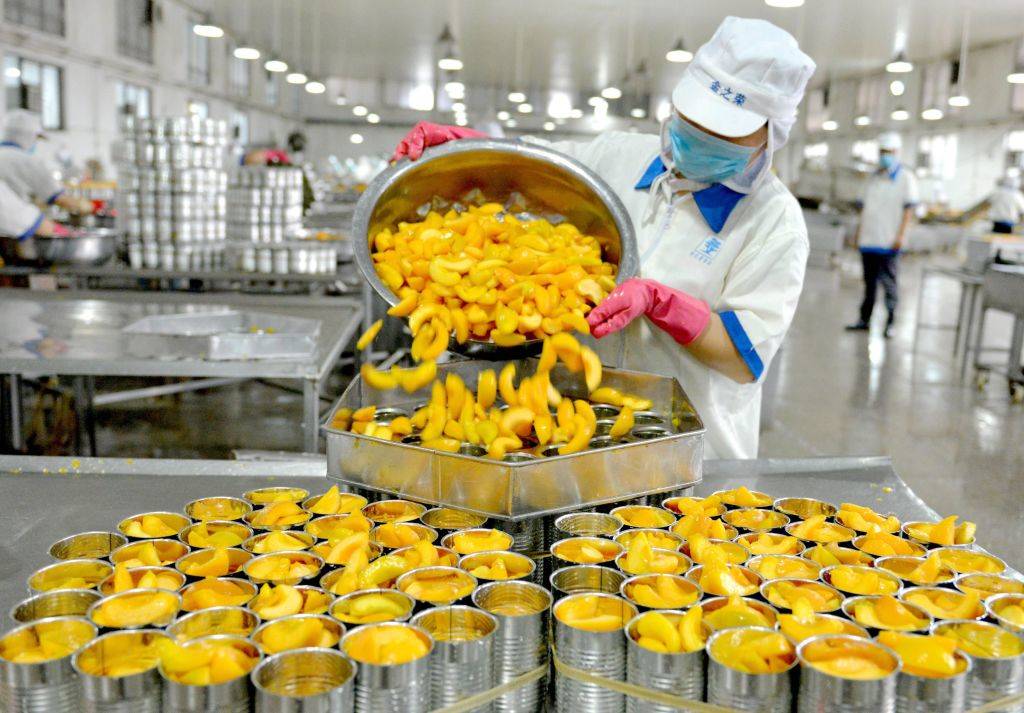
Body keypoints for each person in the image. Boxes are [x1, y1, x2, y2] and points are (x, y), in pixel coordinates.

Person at [390, 16, 816, 460]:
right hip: (574, 434)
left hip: (688, 449)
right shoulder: (619, 155)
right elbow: (533, 167)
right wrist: (469, 146)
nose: (701, 136)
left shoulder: (774, 221)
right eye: (693, 121)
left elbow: (742, 357)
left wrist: (663, 304)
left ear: (770, 134)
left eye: (722, 132)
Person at [845, 132, 918, 339]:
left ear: (897, 152)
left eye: (889, 152)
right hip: (869, 240)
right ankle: (864, 320)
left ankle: (890, 323)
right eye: (882, 151)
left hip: (889, 242)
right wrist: (858, 233)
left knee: (889, 284)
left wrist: (901, 236)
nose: (885, 155)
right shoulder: (872, 178)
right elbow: (863, 209)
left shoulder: (906, 178)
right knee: (868, 284)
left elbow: (908, 210)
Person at [0, 110, 92, 222]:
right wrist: (84, 206)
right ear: (28, 136)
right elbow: (57, 198)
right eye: (36, 138)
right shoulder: (29, 161)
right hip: (17, 223)